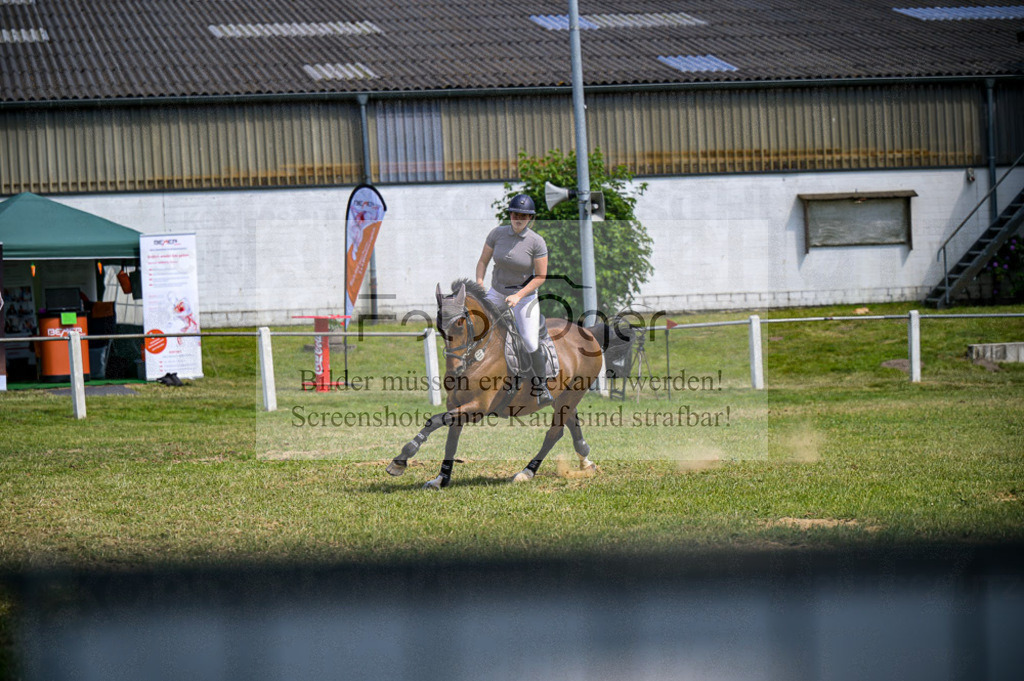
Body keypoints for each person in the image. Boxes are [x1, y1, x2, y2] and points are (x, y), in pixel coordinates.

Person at [476, 193, 553, 405]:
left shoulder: (537, 242)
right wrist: (480, 283)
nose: (519, 218)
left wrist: (519, 295)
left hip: (524, 296)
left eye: (524, 215)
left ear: (531, 219)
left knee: (529, 340)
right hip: (497, 292)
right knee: (479, 328)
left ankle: (541, 386)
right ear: (510, 214)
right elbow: (483, 261)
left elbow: (540, 277)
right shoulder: (497, 234)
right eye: (515, 214)